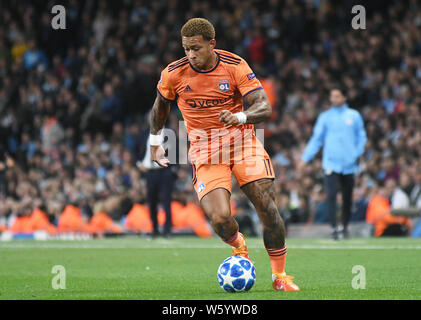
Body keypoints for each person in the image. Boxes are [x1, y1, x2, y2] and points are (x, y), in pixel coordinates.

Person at [148, 18, 299, 291]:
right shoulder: (174, 73)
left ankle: (280, 276)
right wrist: (155, 140)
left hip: (243, 144)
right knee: (219, 219)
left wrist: (240, 116)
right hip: (206, 152)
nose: (191, 55)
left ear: (211, 44)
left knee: (268, 209)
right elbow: (160, 107)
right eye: (186, 49)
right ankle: (239, 245)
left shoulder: (235, 65)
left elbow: (264, 107)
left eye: (196, 48)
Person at [299, 88, 367, 240]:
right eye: (332, 97)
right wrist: (305, 158)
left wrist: (357, 153)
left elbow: (361, 136)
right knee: (331, 195)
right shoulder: (325, 117)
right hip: (331, 163)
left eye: (337, 96)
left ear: (344, 97)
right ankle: (334, 228)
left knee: (348, 197)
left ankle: (345, 226)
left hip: (349, 164)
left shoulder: (354, 116)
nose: (334, 99)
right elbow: (316, 139)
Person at [137, 130, 175, 238]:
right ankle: (154, 229)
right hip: (150, 172)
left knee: (166, 201)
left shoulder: (169, 134)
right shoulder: (145, 134)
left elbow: (175, 153)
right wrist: (139, 163)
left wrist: (171, 169)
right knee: (152, 201)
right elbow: (137, 150)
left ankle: (167, 230)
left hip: (164, 172)